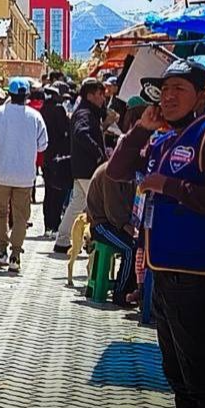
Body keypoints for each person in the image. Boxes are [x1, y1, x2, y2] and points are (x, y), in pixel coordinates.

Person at [106, 59, 205, 408]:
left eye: (179, 90)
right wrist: (140, 129)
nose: (167, 97)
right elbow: (117, 170)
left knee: (203, 379)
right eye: (164, 90)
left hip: (198, 275)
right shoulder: (165, 139)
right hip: (164, 273)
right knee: (179, 377)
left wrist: (171, 187)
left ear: (203, 96)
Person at [84, 100, 145, 307]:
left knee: (140, 247)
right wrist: (128, 227)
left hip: (117, 222)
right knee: (130, 249)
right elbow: (113, 213)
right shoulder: (111, 173)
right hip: (102, 224)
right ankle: (121, 293)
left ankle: (134, 290)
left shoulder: (129, 173)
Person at [0, 77, 48, 273]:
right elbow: (43, 145)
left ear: (9, 94)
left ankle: (1, 252)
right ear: (27, 96)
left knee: (0, 214)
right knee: (21, 217)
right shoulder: (35, 117)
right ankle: (15, 256)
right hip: (24, 176)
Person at [55, 78, 108, 254]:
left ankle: (62, 240)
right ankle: (93, 242)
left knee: (77, 203)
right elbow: (81, 133)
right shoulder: (85, 113)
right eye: (100, 94)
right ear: (90, 95)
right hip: (87, 169)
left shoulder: (89, 112)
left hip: (83, 169)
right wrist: (98, 152)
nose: (102, 98)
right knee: (99, 206)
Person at [39, 86, 72, 240]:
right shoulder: (59, 110)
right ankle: (55, 224)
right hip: (59, 158)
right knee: (58, 192)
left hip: (46, 156)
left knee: (48, 192)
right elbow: (65, 131)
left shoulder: (42, 110)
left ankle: (48, 225)